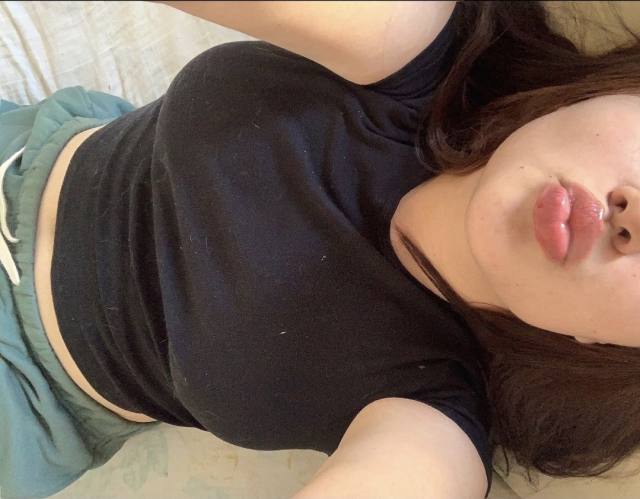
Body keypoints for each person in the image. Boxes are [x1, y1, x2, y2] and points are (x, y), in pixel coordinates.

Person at [1, 1, 640, 498]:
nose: (635, 215)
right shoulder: (423, 44)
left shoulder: (435, 423)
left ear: (609, 349)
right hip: (26, 151)